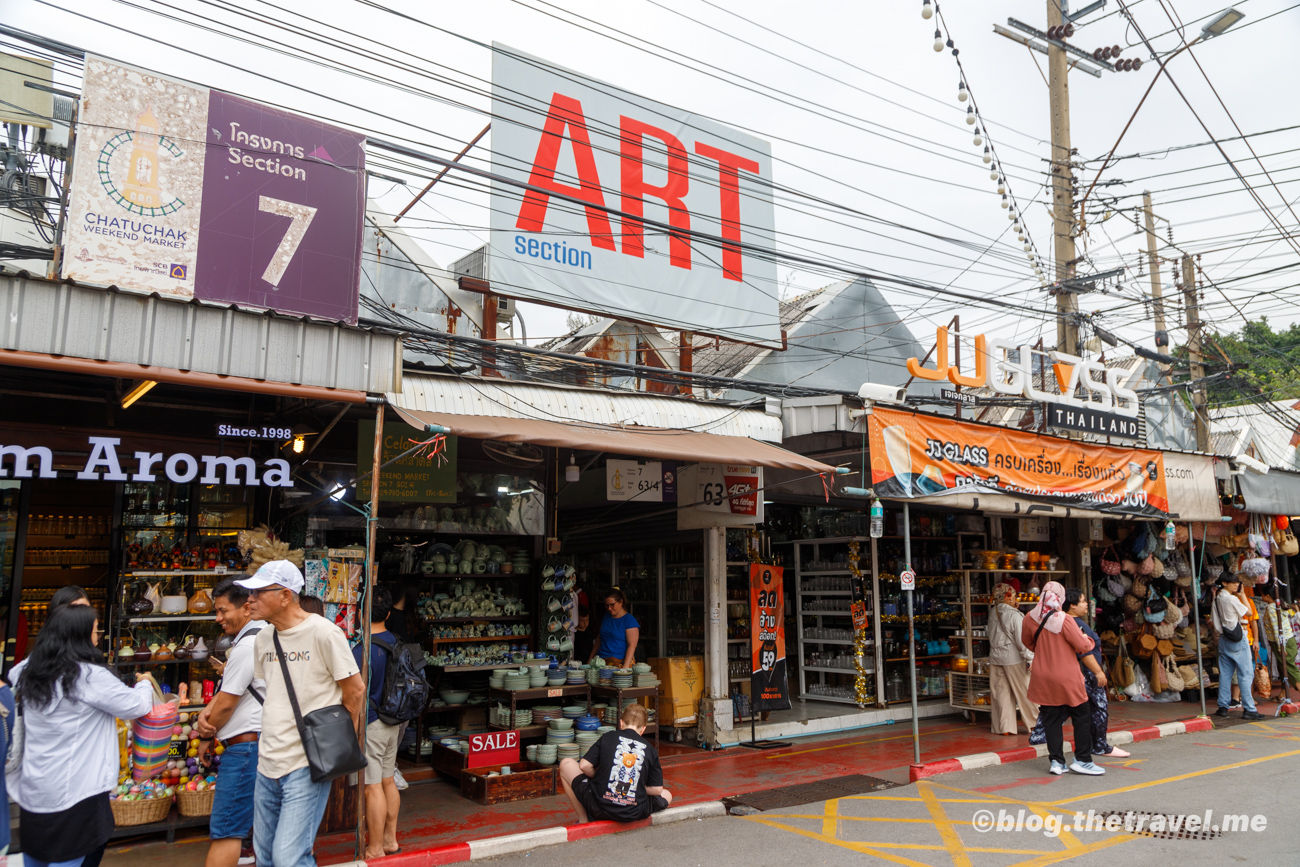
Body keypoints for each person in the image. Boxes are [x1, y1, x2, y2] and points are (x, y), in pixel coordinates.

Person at [238, 560, 365, 867]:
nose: (249, 600)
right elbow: (274, 692)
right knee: (265, 856)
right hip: (267, 761)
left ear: (284, 595)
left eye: (257, 593)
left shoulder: (324, 632)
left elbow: (355, 689)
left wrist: (339, 739)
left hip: (306, 763)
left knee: (289, 857)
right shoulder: (264, 638)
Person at [8, 605, 154, 867]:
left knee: (35, 860)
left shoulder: (27, 671)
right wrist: (144, 682)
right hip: (76, 792)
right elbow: (138, 706)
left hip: (35, 788)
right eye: (96, 631)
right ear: (82, 636)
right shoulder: (88, 677)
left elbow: (13, 673)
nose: (98, 637)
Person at [194, 577, 267, 867]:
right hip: (257, 745)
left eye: (224, 611)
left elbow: (227, 702)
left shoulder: (249, 645)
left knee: (226, 831)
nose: (218, 618)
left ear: (247, 608)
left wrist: (204, 734)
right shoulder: (264, 637)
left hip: (246, 749)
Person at [1029, 589, 1129, 758]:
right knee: (1095, 709)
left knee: (1062, 709)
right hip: (1084, 673)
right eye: (1082, 601)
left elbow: (1030, 642)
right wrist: (1098, 672)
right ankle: (1097, 747)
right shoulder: (1071, 623)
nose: (1086, 604)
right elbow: (1084, 652)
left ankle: (1040, 735)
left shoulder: (1057, 622)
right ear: (1072, 605)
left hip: (1071, 673)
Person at [1021, 581, 1105, 776]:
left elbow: (1027, 642)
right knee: (1082, 714)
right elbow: (1083, 647)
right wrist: (1088, 638)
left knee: (1051, 718)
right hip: (1067, 676)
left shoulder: (1030, 618)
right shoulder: (1064, 619)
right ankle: (1083, 760)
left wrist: (1043, 651)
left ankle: (1057, 762)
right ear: (1061, 597)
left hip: (1043, 675)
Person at [352, 587, 402, 860]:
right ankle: (390, 840)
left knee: (372, 787)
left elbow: (353, 692)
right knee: (387, 781)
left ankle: (374, 847)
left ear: (361, 613)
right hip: (392, 722)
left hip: (371, 722)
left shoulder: (362, 649)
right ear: (390, 613)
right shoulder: (397, 642)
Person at [559, 703, 671, 824]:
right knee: (667, 794)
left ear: (621, 723)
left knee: (566, 763)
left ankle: (583, 820)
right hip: (633, 812)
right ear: (643, 728)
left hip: (599, 808)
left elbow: (584, 765)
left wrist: (600, 777)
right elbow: (657, 790)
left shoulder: (608, 736)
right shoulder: (651, 749)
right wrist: (636, 786)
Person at [1213, 574, 1266, 721]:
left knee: (1225, 674)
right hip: (1238, 638)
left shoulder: (1217, 600)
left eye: (1237, 583)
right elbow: (1249, 612)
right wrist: (1243, 595)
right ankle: (1249, 708)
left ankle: (1223, 707)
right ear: (1224, 583)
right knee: (1246, 674)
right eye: (1233, 583)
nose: (1236, 585)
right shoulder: (1231, 599)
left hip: (1224, 638)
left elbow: (1215, 622)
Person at [987, 582, 1037, 735]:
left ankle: (1004, 727)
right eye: (1014, 596)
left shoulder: (993, 612)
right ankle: (1034, 724)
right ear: (1007, 597)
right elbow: (1022, 640)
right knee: (1025, 691)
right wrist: (1030, 658)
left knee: (1000, 693)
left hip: (996, 658)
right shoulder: (1014, 615)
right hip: (1013, 659)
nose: (1017, 599)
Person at [1259, 590, 1300, 701]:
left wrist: (1279, 646)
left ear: (1267, 596)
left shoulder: (1271, 608)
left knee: (1289, 668)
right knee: (1282, 668)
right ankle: (1283, 693)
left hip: (1283, 642)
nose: (1261, 596)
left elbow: (1277, 628)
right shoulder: (1279, 605)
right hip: (1287, 640)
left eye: (1262, 594)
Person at [590, 590, 639, 668]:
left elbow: (632, 645)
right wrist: (590, 659)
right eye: (607, 605)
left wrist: (625, 666)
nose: (609, 608)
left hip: (619, 661)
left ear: (621, 602)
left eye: (612, 605)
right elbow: (599, 639)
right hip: (600, 661)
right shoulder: (606, 617)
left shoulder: (629, 620)